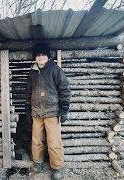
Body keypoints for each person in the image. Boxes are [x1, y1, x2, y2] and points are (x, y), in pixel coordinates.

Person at [25, 43, 71, 179]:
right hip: (36, 113)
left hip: (52, 112)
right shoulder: (32, 72)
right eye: (38, 55)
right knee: (36, 140)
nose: (40, 57)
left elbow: (65, 90)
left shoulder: (55, 70)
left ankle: (57, 167)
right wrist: (28, 109)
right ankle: (38, 162)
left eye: (43, 55)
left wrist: (64, 109)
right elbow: (28, 92)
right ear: (35, 57)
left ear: (48, 56)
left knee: (54, 141)